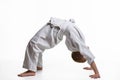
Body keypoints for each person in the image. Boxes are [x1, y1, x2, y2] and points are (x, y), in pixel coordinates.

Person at [18, 17, 100, 79]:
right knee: (37, 44)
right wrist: (93, 69)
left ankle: (32, 70)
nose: (86, 55)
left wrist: (96, 72)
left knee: (34, 43)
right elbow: (88, 55)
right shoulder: (79, 45)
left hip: (57, 28)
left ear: (81, 54)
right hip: (58, 27)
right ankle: (38, 65)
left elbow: (89, 56)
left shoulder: (78, 45)